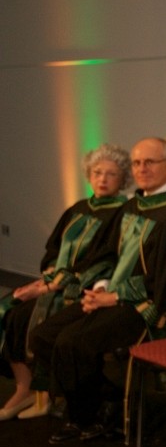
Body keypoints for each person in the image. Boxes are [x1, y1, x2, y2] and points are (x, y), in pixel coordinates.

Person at [30, 137, 166, 443]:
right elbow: (107, 255)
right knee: (43, 337)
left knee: (73, 343)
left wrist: (115, 296)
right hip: (111, 297)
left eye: (150, 162)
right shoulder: (133, 204)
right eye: (136, 163)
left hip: (153, 306)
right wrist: (99, 288)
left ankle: (85, 419)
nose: (142, 169)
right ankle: (111, 397)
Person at [0, 143, 131, 421]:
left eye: (111, 174)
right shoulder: (79, 207)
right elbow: (53, 247)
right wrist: (49, 271)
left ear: (123, 179)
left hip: (82, 288)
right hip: (54, 282)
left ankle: (47, 393)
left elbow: (104, 260)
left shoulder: (123, 212)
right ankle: (23, 389)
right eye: (97, 172)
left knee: (28, 318)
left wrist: (54, 284)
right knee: (10, 313)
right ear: (89, 175)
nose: (103, 179)